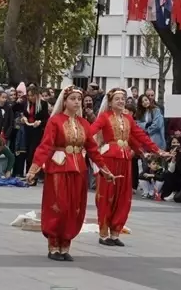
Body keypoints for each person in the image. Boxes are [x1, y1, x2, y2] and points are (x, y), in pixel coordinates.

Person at [25, 86, 113, 261]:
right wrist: (34, 168)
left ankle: (65, 245)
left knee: (74, 207)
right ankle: (53, 245)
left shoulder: (84, 123)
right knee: (59, 205)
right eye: (72, 98)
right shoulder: (55, 121)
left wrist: (104, 169)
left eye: (78, 99)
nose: (76, 102)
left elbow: (93, 149)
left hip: (78, 168)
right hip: (59, 167)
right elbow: (45, 146)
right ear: (64, 101)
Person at [90, 88, 158, 247]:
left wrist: (156, 150)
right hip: (109, 159)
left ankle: (115, 233)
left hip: (125, 159)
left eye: (123, 98)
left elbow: (139, 136)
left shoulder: (128, 118)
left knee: (123, 196)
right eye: (117, 99)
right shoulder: (104, 117)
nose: (121, 101)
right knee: (107, 195)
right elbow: (91, 131)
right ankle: (104, 233)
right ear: (110, 102)